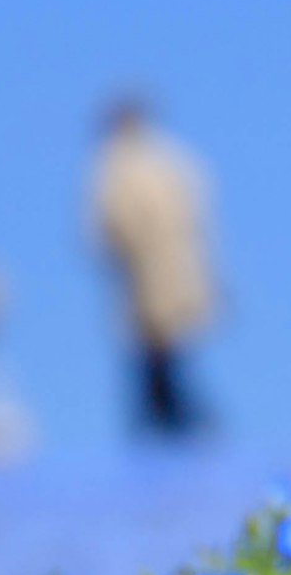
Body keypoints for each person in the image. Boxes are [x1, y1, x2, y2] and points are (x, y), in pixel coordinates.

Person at [89, 94, 218, 441]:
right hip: (145, 275)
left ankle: (178, 424)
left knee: (164, 354)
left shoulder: (146, 161)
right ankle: (174, 424)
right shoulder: (127, 163)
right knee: (157, 355)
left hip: (163, 273)